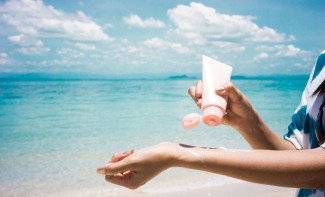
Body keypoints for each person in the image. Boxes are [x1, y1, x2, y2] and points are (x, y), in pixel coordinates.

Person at [97, 51, 325, 196]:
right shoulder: (322, 64)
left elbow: (319, 170)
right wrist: (247, 123)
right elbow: (296, 161)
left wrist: (176, 154)